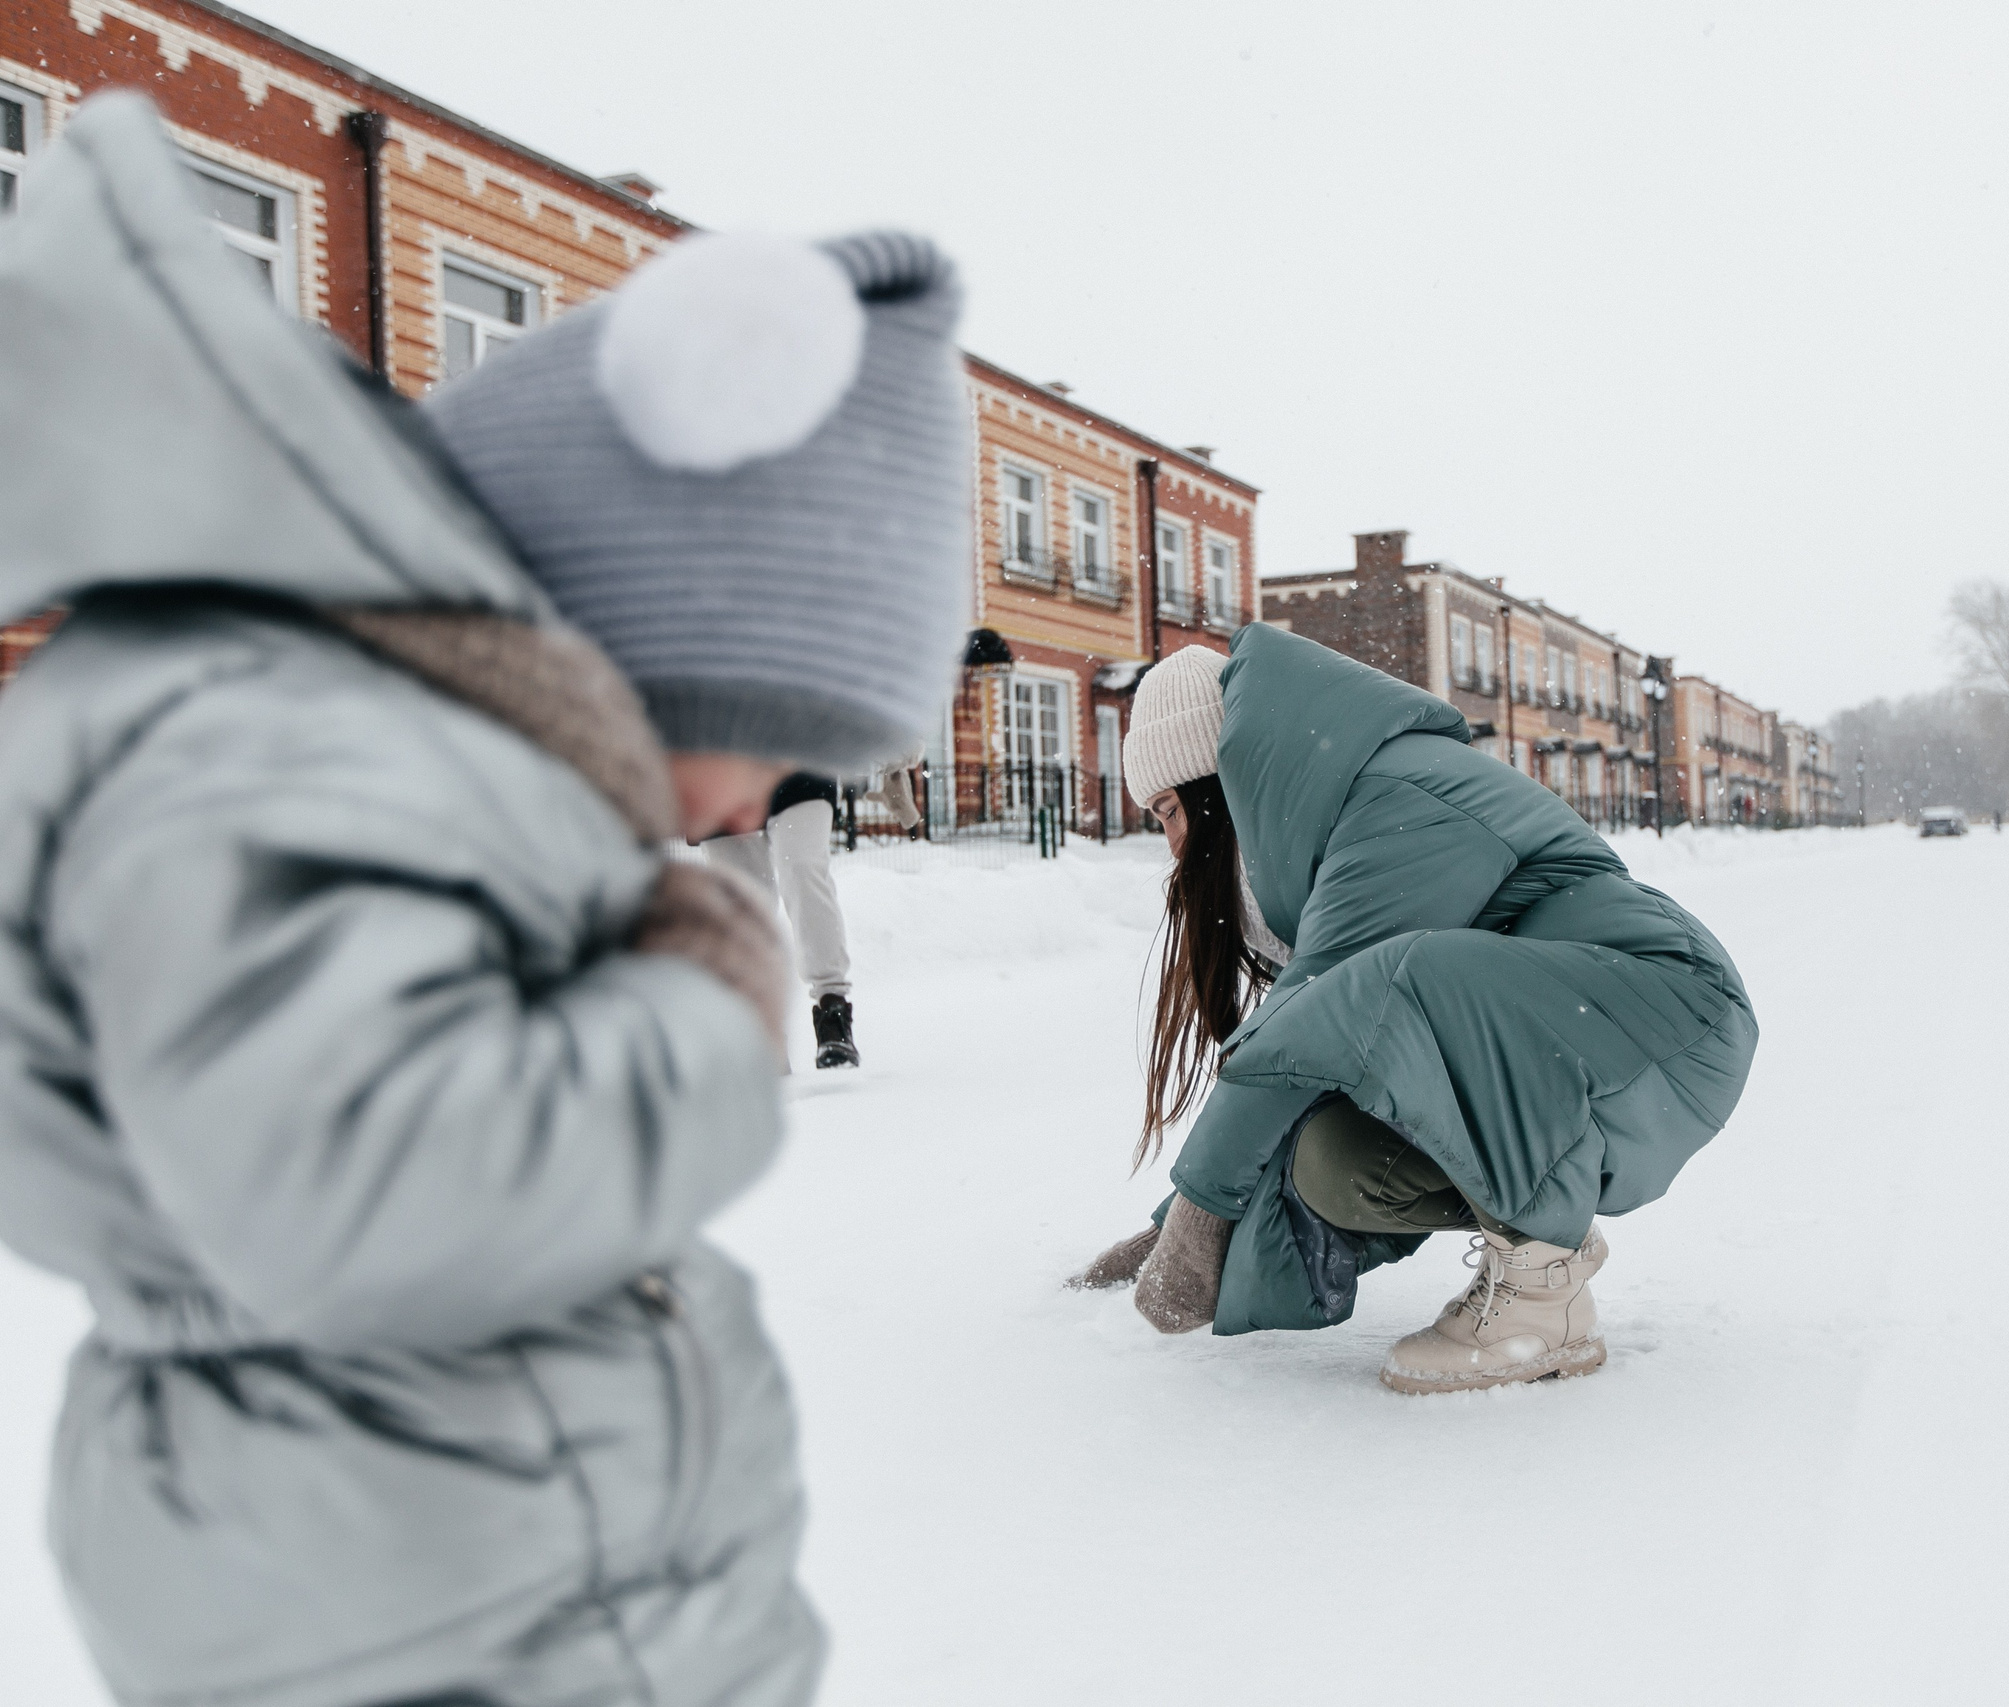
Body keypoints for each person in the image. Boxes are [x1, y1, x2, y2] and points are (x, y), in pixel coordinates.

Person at [0, 97, 968, 1706]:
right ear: (650, 621)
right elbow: (364, 1188)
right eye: (783, 738)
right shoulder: (303, 750)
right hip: (422, 1579)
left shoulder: (354, 744)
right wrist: (697, 1006)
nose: (759, 803)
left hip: (438, 1546)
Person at [1075, 629, 1758, 1392]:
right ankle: (1536, 1223)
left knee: (1399, 978)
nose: (1172, 846)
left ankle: (1540, 1294)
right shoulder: (1317, 841)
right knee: (1333, 1161)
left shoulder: (1392, 794)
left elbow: (1310, 1021)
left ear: (1221, 780)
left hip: (1668, 1012)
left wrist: (1203, 1214)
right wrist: (1174, 1222)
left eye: (1170, 812)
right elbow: (1305, 1058)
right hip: (1565, 1040)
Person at [709, 770, 862, 1068]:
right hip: (717, 762)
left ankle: (833, 1011)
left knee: (803, 868)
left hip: (800, 756)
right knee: (741, 898)